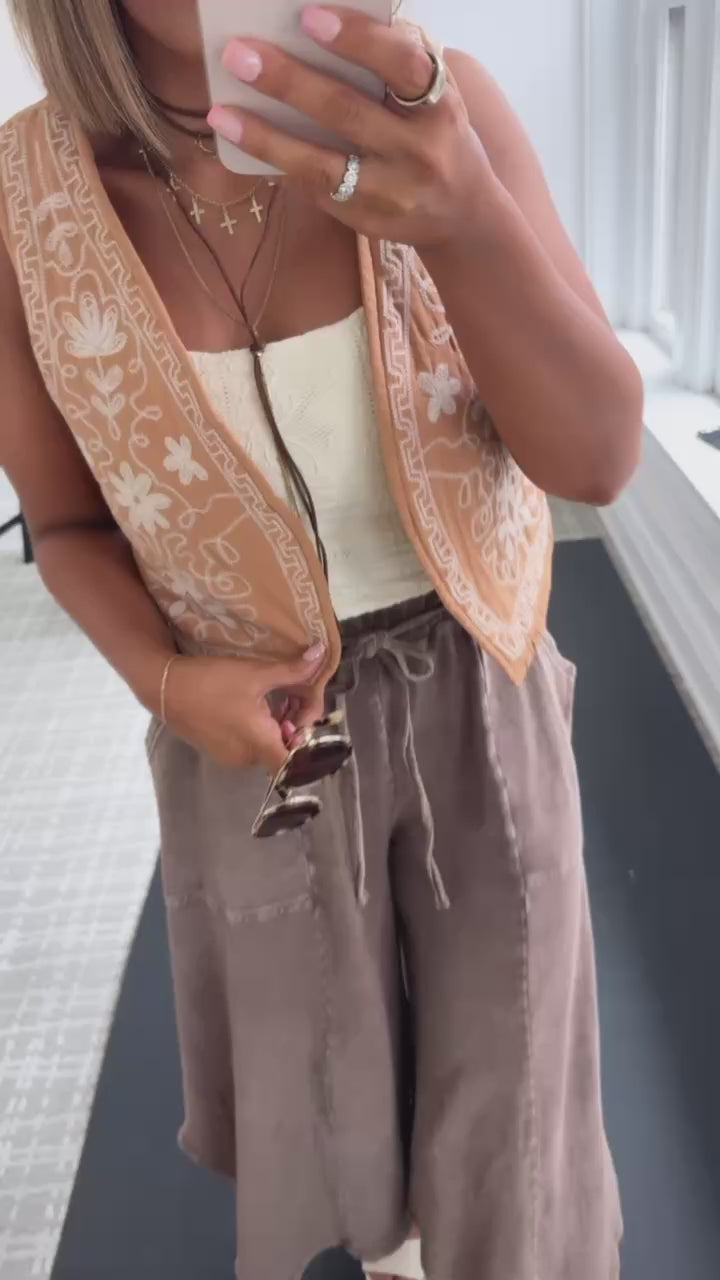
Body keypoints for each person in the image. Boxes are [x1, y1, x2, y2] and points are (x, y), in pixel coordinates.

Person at [0, 2, 642, 1277]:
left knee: (512, 1114)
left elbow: (597, 459)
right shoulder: (27, 210)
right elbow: (63, 525)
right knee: (328, 1105)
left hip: (481, 704)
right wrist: (168, 682)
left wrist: (461, 212)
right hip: (256, 751)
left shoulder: (443, 115)